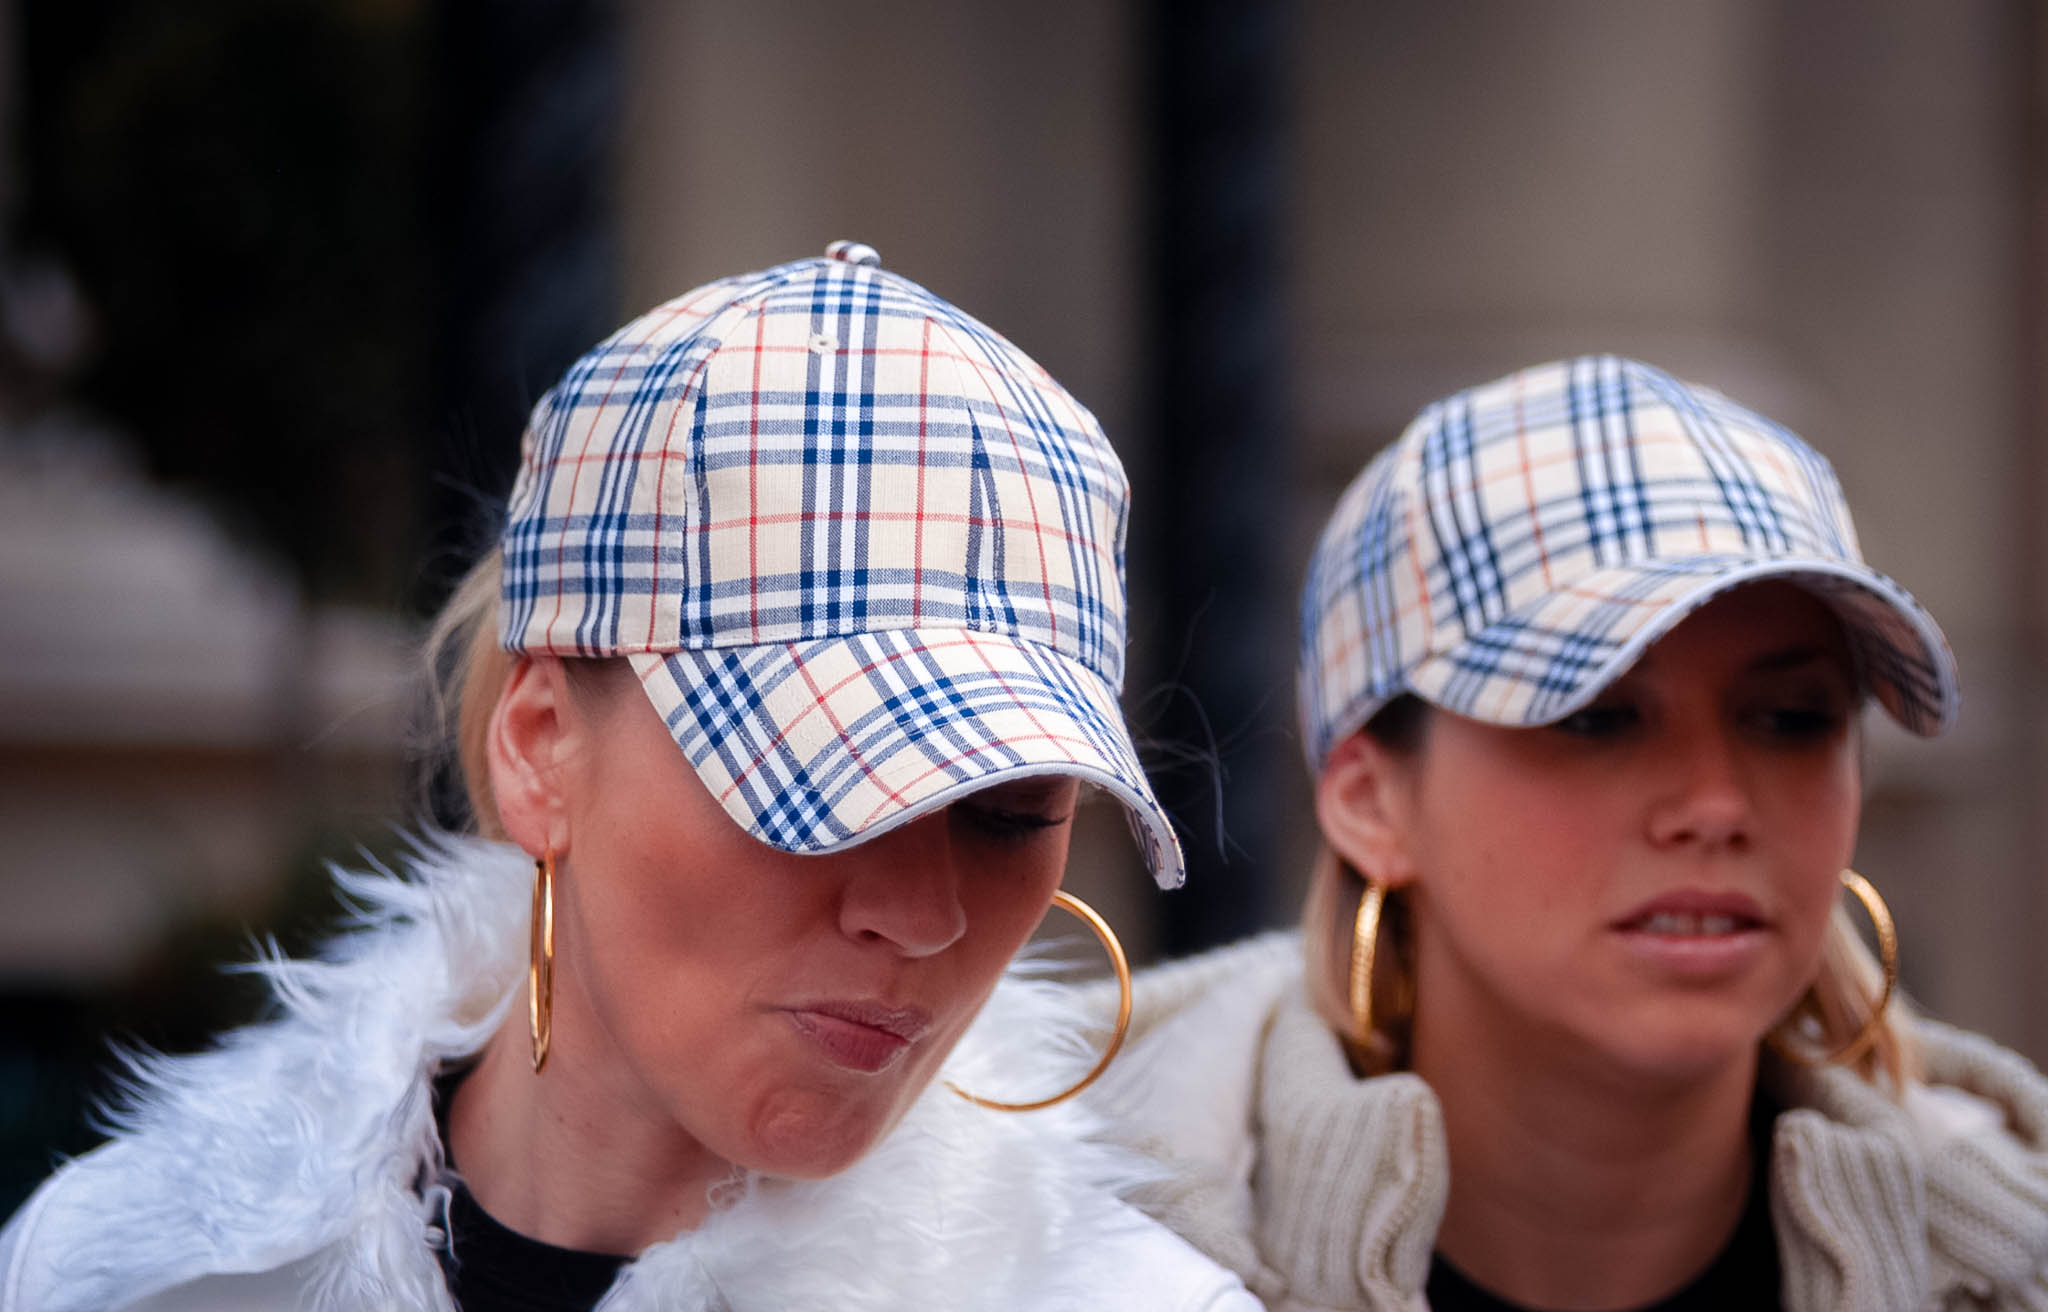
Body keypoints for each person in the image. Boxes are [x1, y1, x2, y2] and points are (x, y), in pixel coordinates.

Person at [0, 242, 1257, 1312]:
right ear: (541, 744)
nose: (920, 911)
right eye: (815, 783)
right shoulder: (142, 1273)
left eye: (1008, 814)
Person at [1096, 355, 2048, 1310]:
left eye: (1792, 718)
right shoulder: (1080, 1255)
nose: (1714, 806)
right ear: (1368, 802)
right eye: (1593, 718)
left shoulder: (2004, 1261)